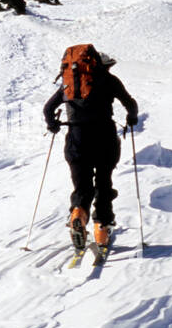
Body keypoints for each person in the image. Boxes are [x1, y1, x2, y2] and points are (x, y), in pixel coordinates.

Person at [43, 49, 138, 253]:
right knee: (104, 183)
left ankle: (78, 213)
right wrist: (132, 118)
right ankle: (101, 229)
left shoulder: (69, 83)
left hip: (76, 140)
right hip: (104, 138)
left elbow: (48, 109)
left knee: (82, 186)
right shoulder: (110, 81)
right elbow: (130, 104)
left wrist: (53, 125)